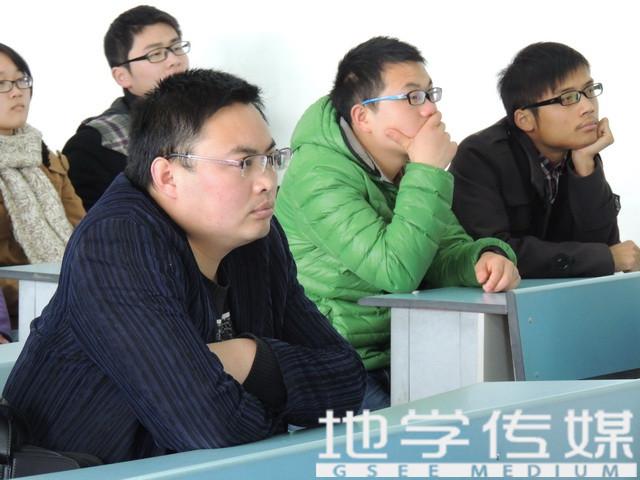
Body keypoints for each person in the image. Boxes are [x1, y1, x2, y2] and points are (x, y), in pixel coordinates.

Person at [3, 68, 365, 463]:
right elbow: (209, 424)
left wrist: (242, 355)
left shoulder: (254, 236)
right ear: (168, 176)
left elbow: (346, 379)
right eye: (244, 162)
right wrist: (258, 384)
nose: (268, 181)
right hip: (77, 469)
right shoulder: (116, 241)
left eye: (270, 159)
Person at [275, 36, 520, 411]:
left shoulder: (404, 164)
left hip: (406, 344)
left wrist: (483, 258)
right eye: (412, 97)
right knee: (427, 436)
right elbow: (396, 271)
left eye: (430, 94)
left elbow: (441, 251)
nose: (431, 110)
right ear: (362, 117)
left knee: (490, 412)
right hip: (338, 360)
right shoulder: (318, 174)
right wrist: (427, 170)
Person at [449, 42, 640, 278]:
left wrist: (586, 168)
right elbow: (495, 252)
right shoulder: (479, 157)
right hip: (495, 298)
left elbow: (603, 245)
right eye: (568, 98)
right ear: (525, 120)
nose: (588, 107)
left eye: (589, 91)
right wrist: (603, 258)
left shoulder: (576, 153)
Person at [63, 5, 190, 210]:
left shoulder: (213, 120)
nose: (175, 61)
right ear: (122, 76)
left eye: (176, 47)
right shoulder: (93, 147)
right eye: (156, 54)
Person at [0, 43, 84, 342]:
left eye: (21, 80)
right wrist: (40, 290)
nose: (16, 92)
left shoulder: (45, 157)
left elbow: (82, 234)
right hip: (15, 316)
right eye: (1, 84)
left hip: (71, 300)